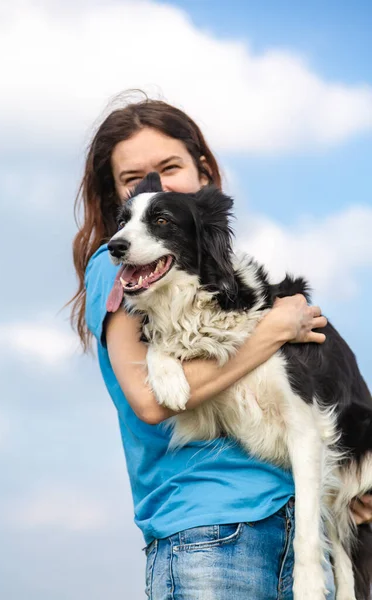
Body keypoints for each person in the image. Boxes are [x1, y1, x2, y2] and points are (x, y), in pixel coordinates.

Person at [70, 94, 372, 599]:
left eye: (170, 167)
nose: (156, 187)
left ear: (203, 171)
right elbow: (151, 400)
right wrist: (274, 331)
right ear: (117, 198)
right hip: (211, 534)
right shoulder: (116, 264)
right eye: (133, 180)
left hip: (296, 525)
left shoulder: (226, 279)